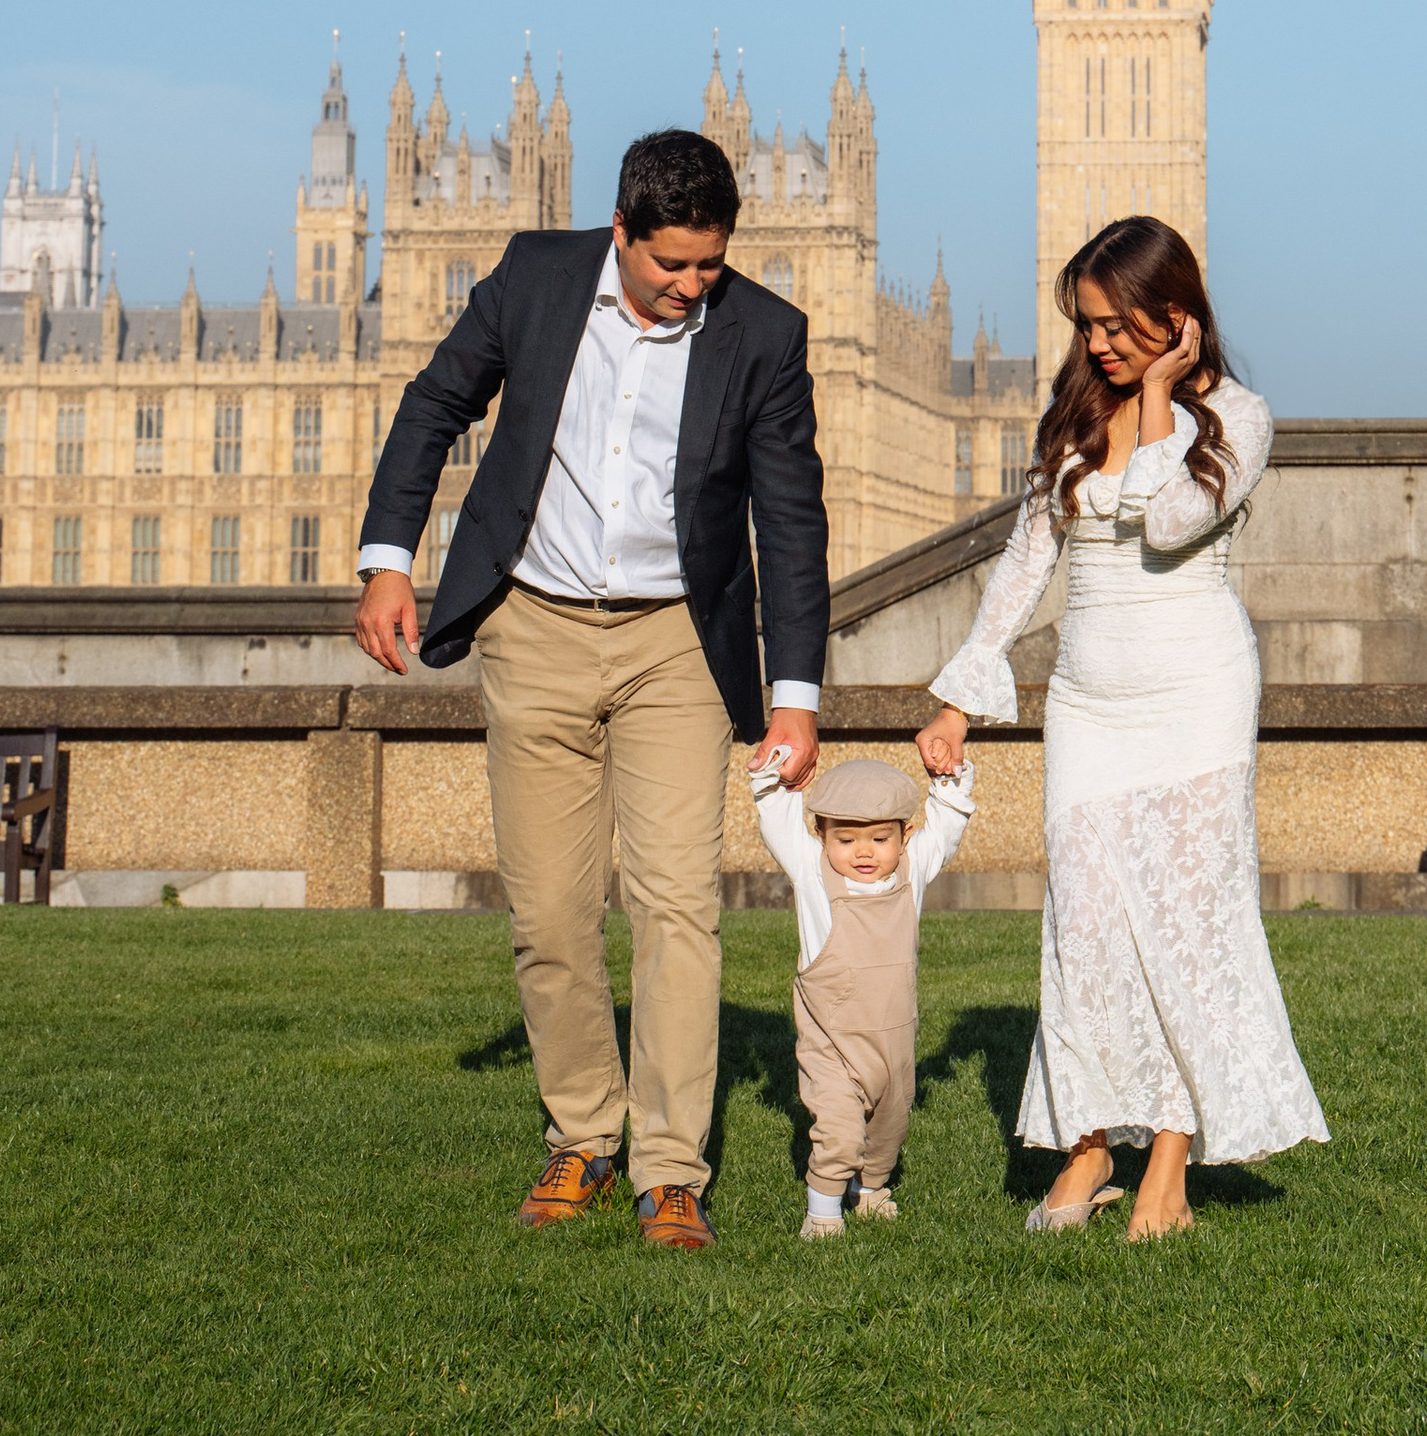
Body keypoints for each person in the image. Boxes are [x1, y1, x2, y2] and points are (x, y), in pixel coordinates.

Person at [352, 125, 830, 1252]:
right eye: (672, 265)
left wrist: (796, 691)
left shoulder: (764, 334)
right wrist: (386, 560)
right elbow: (433, 406)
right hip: (534, 625)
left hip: (675, 641)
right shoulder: (536, 276)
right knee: (552, 911)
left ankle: (671, 1167)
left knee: (678, 905)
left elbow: (791, 518)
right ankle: (582, 1137)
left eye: (709, 265)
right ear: (621, 232)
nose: (692, 287)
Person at [915, 215, 1326, 1241]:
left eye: (1113, 325)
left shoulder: (1238, 416)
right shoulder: (1074, 414)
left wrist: (1153, 401)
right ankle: (1089, 1146)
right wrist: (961, 694)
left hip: (1196, 695)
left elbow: (1170, 521)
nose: (1096, 344)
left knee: (1193, 928)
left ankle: (1169, 1170)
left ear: (1173, 316)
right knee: (1085, 932)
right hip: (1089, 703)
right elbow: (1024, 561)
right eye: (1087, 327)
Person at [750, 749, 978, 1239]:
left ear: (903, 838)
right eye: (846, 839)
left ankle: (869, 1189)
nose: (864, 852)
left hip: (894, 1041)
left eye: (880, 839)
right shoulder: (813, 875)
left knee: (889, 1126)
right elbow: (779, 826)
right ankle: (824, 1213)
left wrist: (951, 783)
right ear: (821, 837)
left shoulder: (911, 873)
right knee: (839, 1128)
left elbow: (945, 830)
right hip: (832, 1040)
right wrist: (772, 782)